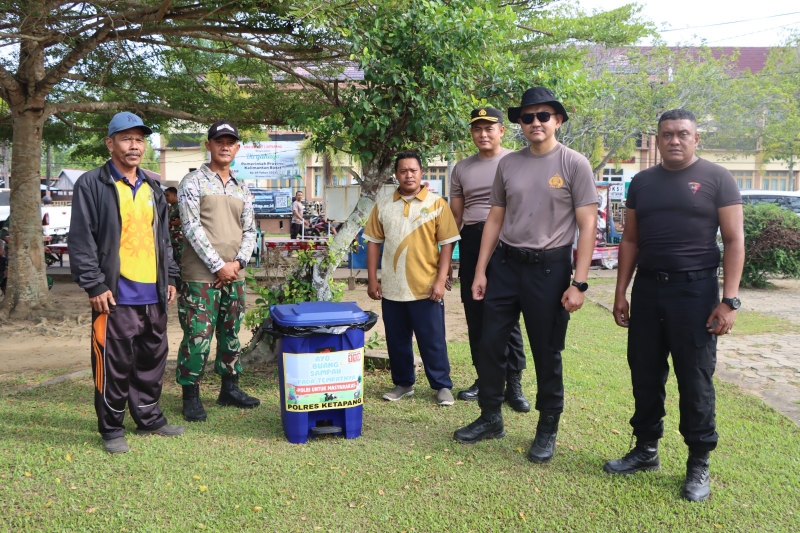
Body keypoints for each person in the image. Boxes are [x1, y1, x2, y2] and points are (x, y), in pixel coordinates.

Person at [603, 109, 744, 502]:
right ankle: (646, 449)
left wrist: (729, 301)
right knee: (645, 374)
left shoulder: (718, 178)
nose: (675, 140)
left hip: (696, 295)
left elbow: (734, 240)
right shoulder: (642, 183)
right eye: (667, 134)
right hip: (648, 291)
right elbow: (629, 240)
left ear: (697, 138)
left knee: (695, 380)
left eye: (683, 134)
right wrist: (621, 293)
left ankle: (698, 461)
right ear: (658, 140)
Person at [453, 87, 598, 465]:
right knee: (489, 343)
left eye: (543, 116)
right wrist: (481, 269)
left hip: (550, 271)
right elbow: (495, 218)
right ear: (519, 123)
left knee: (547, 351)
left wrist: (578, 282)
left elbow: (587, 225)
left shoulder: (574, 164)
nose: (536, 122)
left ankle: (546, 428)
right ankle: (490, 417)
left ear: (558, 120)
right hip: (505, 265)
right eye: (528, 117)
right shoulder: (509, 165)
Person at [69, 112, 184, 454]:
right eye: (126, 138)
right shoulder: (92, 184)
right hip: (115, 295)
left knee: (152, 358)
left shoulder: (152, 187)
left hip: (154, 293)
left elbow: (163, 239)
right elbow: (82, 240)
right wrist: (94, 285)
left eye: (139, 139)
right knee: (113, 364)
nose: (134, 146)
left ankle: (149, 418)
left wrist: (171, 277)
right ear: (110, 143)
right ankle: (112, 428)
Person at [176, 120, 260, 422]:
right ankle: (191, 395)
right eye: (219, 141)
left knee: (231, 334)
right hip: (200, 276)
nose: (225, 146)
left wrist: (236, 265)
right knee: (198, 335)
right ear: (208, 145)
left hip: (235, 275)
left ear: (237, 148)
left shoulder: (243, 189)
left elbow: (250, 230)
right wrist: (218, 266)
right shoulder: (193, 182)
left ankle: (229, 388)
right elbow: (191, 227)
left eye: (231, 142)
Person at [364, 151, 461, 406]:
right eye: (403, 171)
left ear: (422, 172)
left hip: (426, 288)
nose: (408, 175)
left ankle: (441, 386)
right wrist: (372, 280)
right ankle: (403, 383)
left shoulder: (437, 204)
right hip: (393, 289)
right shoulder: (383, 204)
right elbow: (373, 243)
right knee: (397, 341)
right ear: (396, 174)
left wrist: (440, 281)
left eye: (413, 170)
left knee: (433, 340)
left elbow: (447, 245)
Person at [449, 107, 529, 412]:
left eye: (489, 128)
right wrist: (442, 253)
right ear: (471, 133)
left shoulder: (517, 162)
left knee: (508, 315)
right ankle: (484, 378)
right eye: (477, 129)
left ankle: (514, 385)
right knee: (476, 313)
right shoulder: (461, 169)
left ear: (501, 131)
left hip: (507, 242)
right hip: (472, 241)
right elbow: (456, 217)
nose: (483, 134)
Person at [164, 186, 183, 284]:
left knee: (180, 261)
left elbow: (184, 219)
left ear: (175, 195)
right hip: (171, 238)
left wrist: (171, 223)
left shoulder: (180, 205)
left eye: (168, 195)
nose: (166, 197)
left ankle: (181, 283)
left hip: (179, 238)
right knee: (173, 260)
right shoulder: (170, 207)